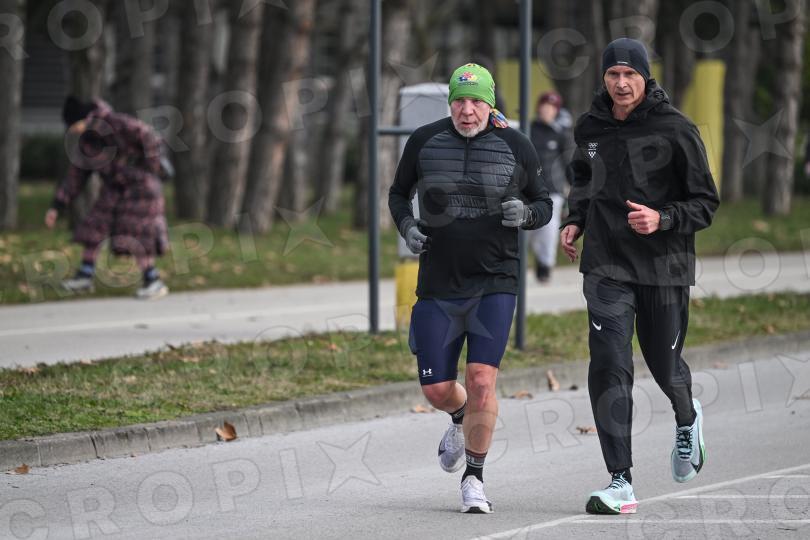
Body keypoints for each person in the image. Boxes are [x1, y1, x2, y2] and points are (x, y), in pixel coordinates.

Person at [559, 38, 719, 514]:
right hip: (606, 266)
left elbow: (705, 203)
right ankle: (620, 481)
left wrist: (662, 218)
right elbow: (583, 180)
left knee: (665, 367)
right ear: (604, 78)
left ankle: (687, 417)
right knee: (609, 364)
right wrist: (575, 219)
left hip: (663, 267)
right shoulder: (590, 127)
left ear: (645, 78)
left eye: (630, 74)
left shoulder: (676, 129)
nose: (621, 83)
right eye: (613, 74)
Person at [389, 63, 552, 514]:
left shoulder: (516, 145)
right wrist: (408, 227)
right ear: (450, 104)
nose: (467, 110)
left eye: (476, 102)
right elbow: (398, 194)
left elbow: (544, 201)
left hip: (495, 283)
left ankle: (474, 480)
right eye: (459, 101)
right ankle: (459, 418)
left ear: (489, 104)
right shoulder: (424, 140)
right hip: (438, 285)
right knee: (437, 389)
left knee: (481, 379)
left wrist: (527, 215)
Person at [45, 96, 170, 300]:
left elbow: (150, 137)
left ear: (86, 119)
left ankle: (153, 280)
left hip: (141, 187)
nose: (75, 131)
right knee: (94, 225)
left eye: (76, 126)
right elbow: (77, 175)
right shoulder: (87, 143)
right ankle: (85, 275)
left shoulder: (117, 123)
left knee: (138, 233)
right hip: (114, 187)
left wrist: (151, 167)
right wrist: (57, 205)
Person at [529, 91, 572, 282]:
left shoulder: (560, 134)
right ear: (539, 108)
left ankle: (545, 263)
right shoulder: (528, 130)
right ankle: (535, 258)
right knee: (529, 228)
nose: (548, 110)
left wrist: (572, 187)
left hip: (553, 189)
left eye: (552, 107)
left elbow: (568, 162)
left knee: (549, 225)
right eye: (545, 106)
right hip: (528, 189)